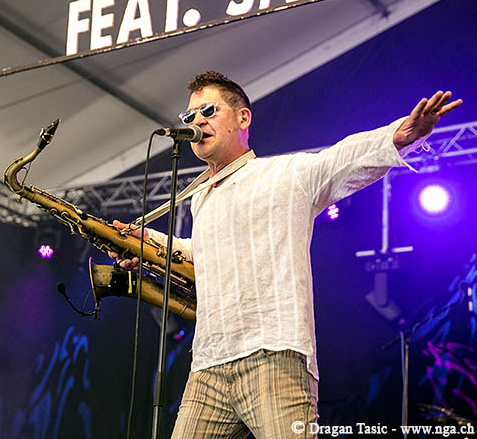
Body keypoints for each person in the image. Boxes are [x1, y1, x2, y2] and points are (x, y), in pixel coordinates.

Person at [111, 71, 462, 438]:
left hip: (274, 357)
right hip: (208, 365)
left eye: (209, 111)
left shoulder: (282, 175)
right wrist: (147, 242)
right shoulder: (201, 198)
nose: (197, 121)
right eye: (190, 116)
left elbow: (338, 160)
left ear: (243, 118)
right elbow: (201, 255)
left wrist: (398, 136)